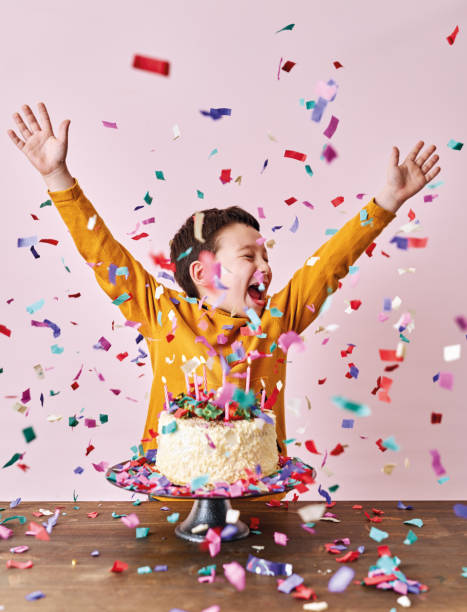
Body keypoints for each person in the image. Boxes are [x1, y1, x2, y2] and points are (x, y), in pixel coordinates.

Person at [8, 102, 441, 489]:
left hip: (261, 513)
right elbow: (104, 255)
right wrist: (56, 176)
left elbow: (329, 264)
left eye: (265, 254)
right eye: (249, 256)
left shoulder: (277, 320)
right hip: (173, 511)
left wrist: (386, 200)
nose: (266, 267)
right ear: (203, 272)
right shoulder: (164, 316)